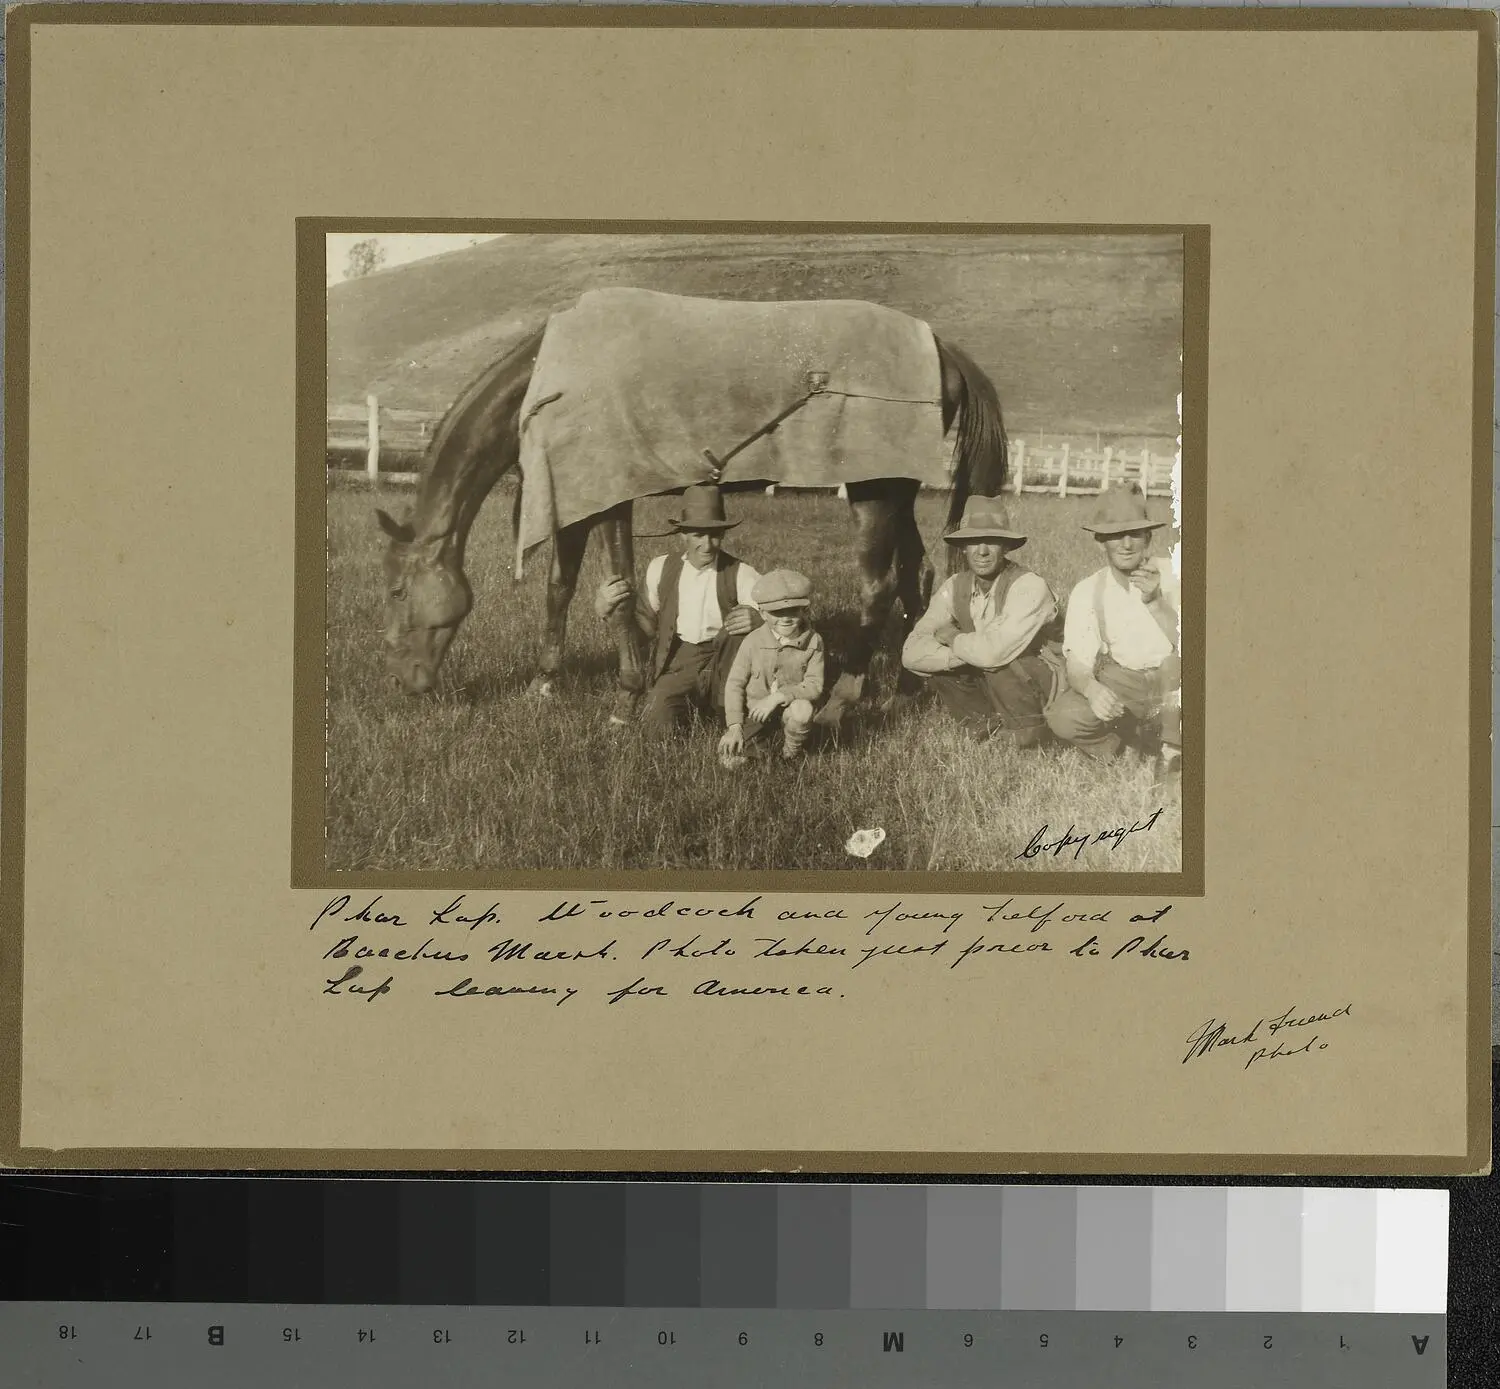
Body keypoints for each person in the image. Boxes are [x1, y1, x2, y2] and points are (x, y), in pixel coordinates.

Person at [594, 483, 762, 736]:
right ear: (682, 534)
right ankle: (696, 703)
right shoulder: (661, 568)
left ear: (724, 535)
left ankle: (722, 709)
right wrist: (608, 611)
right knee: (655, 728)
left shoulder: (742, 573)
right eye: (697, 534)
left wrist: (759, 619)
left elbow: (787, 618)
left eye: (715, 534)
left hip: (728, 661)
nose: (707, 545)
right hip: (681, 661)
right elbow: (643, 631)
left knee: (741, 721)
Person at [1044, 482, 1181, 779]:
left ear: (1148, 536)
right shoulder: (1089, 590)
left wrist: (1156, 602)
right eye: (1116, 535)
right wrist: (1093, 690)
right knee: (1063, 717)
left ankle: (1172, 752)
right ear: (1101, 540)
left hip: (1177, 683)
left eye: (1135, 533)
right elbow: (1077, 662)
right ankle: (1124, 743)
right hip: (1127, 682)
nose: (1127, 544)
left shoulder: (1175, 573)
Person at [900, 496, 1062, 745]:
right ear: (963, 547)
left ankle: (1032, 731)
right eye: (974, 542)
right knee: (943, 665)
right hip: (993, 675)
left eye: (992, 542)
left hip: (1044, 687)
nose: (982, 551)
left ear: (1006, 547)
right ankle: (987, 727)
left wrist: (954, 639)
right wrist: (969, 654)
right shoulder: (954, 586)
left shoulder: (1029, 585)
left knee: (1000, 660)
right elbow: (910, 654)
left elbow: (993, 655)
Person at [718, 570, 826, 769]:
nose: (785, 619)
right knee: (729, 760)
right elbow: (735, 684)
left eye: (793, 611)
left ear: (805, 611)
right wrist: (734, 725)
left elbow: (814, 685)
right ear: (762, 613)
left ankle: (790, 753)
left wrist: (777, 697)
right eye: (777, 612)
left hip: (790, 710)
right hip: (757, 714)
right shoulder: (752, 641)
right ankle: (761, 746)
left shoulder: (814, 641)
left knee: (803, 711)